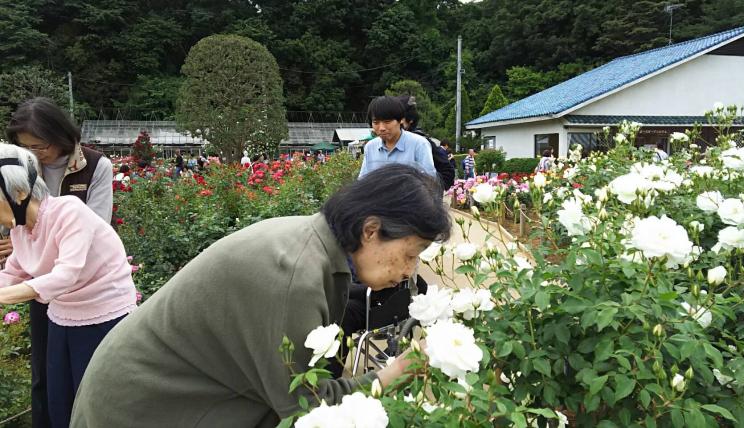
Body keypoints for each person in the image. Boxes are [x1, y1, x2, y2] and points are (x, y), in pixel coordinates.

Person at [71, 164, 450, 427]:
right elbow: (304, 408)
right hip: (145, 410)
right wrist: (394, 373)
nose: (407, 271)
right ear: (371, 231)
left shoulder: (314, 243)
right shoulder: (293, 275)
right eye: (410, 254)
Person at [0, 145, 136, 428]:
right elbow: (13, 271)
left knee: (97, 400)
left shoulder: (69, 212)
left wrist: (5, 295)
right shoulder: (21, 228)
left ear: (19, 194)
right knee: (59, 399)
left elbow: (65, 275)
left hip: (104, 316)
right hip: (63, 315)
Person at [359, 96, 436, 178]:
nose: (381, 128)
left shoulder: (419, 144)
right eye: (376, 122)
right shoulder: (370, 147)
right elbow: (363, 180)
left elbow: (429, 181)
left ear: (401, 119)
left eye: (387, 122)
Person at [395, 95, 455, 190]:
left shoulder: (421, 142)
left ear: (410, 120)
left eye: (399, 118)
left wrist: (429, 194)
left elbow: (447, 172)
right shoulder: (378, 144)